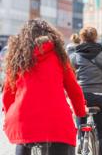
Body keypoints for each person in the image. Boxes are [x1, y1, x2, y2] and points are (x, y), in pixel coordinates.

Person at [2, 19, 86, 155]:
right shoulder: (59, 57)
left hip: (24, 120)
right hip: (57, 121)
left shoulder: (18, 59)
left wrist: (9, 116)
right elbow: (73, 89)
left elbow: (8, 94)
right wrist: (80, 112)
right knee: (63, 143)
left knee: (23, 141)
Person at [70, 26, 102, 155]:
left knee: (80, 123)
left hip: (81, 96)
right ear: (96, 38)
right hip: (100, 96)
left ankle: (82, 141)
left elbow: (69, 79)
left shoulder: (74, 57)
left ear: (81, 38)